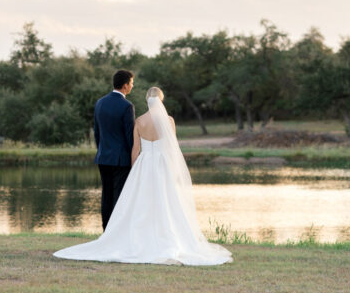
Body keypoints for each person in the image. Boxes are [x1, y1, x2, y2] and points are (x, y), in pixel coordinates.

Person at [54, 86, 232, 266]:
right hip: (162, 165)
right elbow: (172, 148)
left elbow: (135, 149)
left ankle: (138, 236)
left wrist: (134, 170)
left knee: (141, 202)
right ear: (161, 101)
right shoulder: (169, 121)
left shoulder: (139, 121)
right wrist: (173, 168)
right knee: (166, 201)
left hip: (144, 164)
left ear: (147, 100)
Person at [93, 69, 136, 230]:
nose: (132, 86)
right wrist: (133, 159)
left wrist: (102, 150)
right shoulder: (127, 106)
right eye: (131, 83)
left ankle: (106, 231)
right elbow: (129, 137)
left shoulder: (100, 102)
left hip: (103, 157)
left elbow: (96, 132)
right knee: (119, 196)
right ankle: (116, 233)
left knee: (106, 195)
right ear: (125, 85)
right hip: (121, 160)